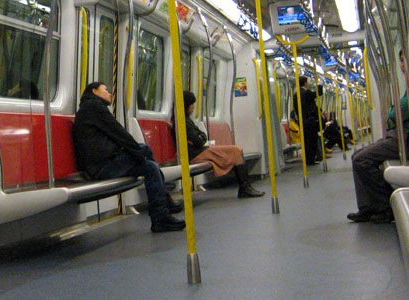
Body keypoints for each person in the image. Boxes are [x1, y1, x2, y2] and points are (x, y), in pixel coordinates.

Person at [72, 82, 186, 233]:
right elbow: (120, 134)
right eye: (106, 90)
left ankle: (162, 210)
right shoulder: (94, 108)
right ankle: (162, 212)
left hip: (102, 163)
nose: (109, 93)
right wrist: (138, 155)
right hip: (100, 168)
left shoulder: (89, 109)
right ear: (94, 91)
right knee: (147, 158)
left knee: (148, 160)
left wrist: (138, 155)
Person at [347, 46, 409, 223]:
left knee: (361, 160)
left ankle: (385, 206)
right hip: (402, 136)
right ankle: (368, 207)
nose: (403, 65)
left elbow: (399, 111)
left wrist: (393, 115)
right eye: (401, 61)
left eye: (407, 59)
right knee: (357, 155)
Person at [183, 91, 265, 198]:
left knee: (237, 151)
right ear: (187, 106)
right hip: (195, 153)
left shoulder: (187, 121)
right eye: (191, 105)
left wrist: (201, 137)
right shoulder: (183, 122)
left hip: (199, 151)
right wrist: (201, 137)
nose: (193, 108)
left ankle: (245, 187)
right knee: (237, 151)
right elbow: (199, 140)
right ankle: (245, 187)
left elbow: (202, 136)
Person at [292, 76, 322, 165]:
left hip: (302, 121)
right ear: (305, 83)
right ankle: (311, 159)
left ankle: (308, 159)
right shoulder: (306, 93)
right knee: (312, 141)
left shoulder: (295, 95)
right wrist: (320, 84)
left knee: (306, 141)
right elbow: (318, 93)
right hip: (310, 121)